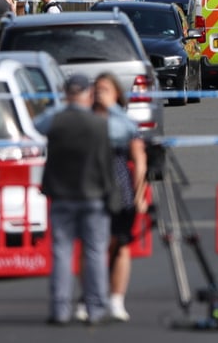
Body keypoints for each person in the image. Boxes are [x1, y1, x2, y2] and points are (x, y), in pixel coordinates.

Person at [37, 74, 117, 326]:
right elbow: (107, 161)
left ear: (66, 93)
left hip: (61, 196)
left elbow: (36, 125)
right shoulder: (99, 124)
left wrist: (62, 105)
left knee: (61, 252)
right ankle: (95, 308)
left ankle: (60, 309)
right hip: (93, 195)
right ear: (88, 94)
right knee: (94, 252)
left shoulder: (56, 121)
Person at [74, 73, 148, 323]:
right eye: (96, 89)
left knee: (121, 244)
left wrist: (139, 193)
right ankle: (88, 298)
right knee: (91, 245)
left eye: (105, 89)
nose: (99, 93)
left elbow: (139, 158)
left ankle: (116, 299)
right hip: (89, 186)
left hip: (118, 186)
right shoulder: (85, 118)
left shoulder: (123, 121)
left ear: (116, 94)